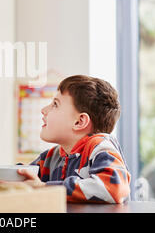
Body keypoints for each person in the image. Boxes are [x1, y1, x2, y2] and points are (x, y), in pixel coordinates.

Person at [15, 75, 131, 203]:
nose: (43, 110)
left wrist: (45, 188)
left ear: (79, 122)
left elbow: (113, 187)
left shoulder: (100, 146)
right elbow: (24, 178)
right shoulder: (51, 157)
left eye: (55, 104)